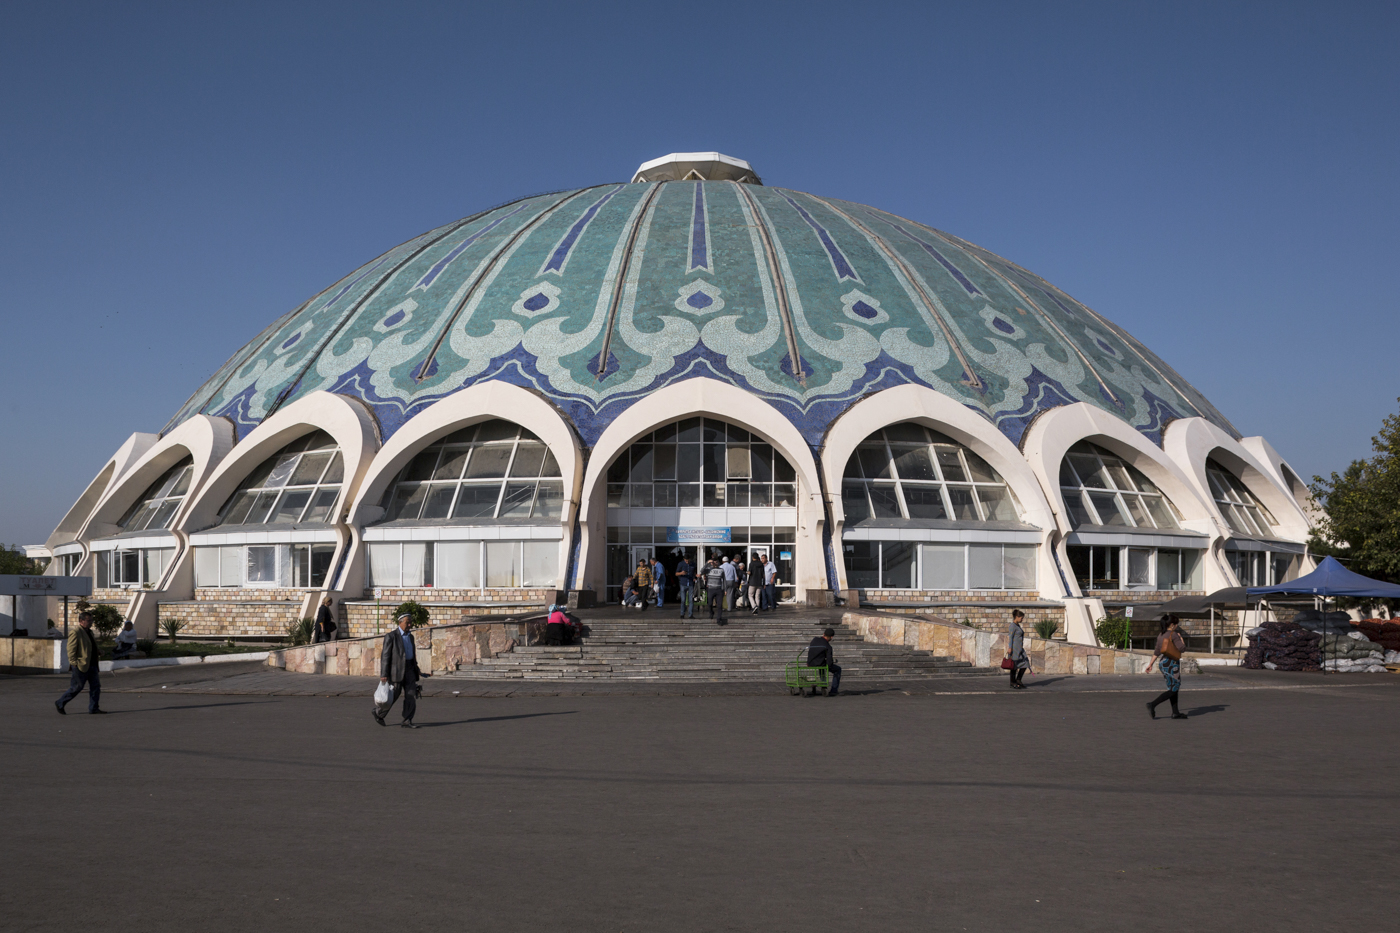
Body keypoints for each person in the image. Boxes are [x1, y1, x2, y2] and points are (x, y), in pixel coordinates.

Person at [375, 612, 427, 728]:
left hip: (410, 669)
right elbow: (385, 656)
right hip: (396, 671)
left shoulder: (411, 637)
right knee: (392, 696)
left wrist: (417, 668)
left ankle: (407, 720)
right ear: (400, 623)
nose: (409, 625)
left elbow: (412, 655)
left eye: (410, 623)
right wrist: (384, 674)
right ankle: (378, 712)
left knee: (411, 695)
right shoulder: (391, 636)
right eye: (407, 623)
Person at [56, 611, 104, 715]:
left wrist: (98, 651)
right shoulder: (76, 632)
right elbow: (71, 649)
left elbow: (89, 646)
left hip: (92, 664)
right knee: (77, 687)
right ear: (81, 621)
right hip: (81, 665)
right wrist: (74, 663)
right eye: (88, 620)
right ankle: (60, 702)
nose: (91, 622)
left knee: (95, 687)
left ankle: (94, 708)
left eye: (91, 620)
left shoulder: (89, 632)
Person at [1146, 615, 1188, 720]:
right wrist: (1181, 638)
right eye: (1176, 624)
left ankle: (1175, 712)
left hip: (1163, 663)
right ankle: (1152, 704)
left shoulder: (1161, 635)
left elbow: (1156, 652)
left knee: (1172, 688)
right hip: (1172, 663)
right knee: (1174, 688)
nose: (1177, 626)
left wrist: (1150, 664)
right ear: (1172, 625)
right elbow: (1182, 648)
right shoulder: (1174, 635)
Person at [807, 627, 842, 696]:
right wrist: (830, 664)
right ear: (831, 637)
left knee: (822, 665)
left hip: (810, 662)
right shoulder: (828, 646)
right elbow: (829, 661)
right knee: (837, 669)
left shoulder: (814, 639)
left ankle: (823, 684)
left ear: (823, 634)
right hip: (820, 664)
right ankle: (833, 690)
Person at [1006, 608, 1031, 689]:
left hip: (1020, 648)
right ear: (1016, 617)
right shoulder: (1012, 626)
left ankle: (1018, 680)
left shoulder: (1017, 625)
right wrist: (1010, 648)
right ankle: (1012, 682)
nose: (1022, 619)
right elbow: (1010, 637)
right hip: (1014, 648)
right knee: (1014, 666)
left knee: (1025, 663)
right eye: (1021, 618)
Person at [705, 559, 727, 625]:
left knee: (719, 605)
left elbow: (724, 580)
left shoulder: (721, 570)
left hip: (719, 589)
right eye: (713, 562)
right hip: (711, 589)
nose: (715, 563)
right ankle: (711, 613)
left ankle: (719, 619)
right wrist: (707, 563)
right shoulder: (709, 569)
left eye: (716, 562)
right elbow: (702, 570)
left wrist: (725, 589)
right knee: (710, 603)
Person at [675, 554, 694, 619]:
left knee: (691, 600)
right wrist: (681, 573)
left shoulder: (693, 564)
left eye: (688, 560)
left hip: (690, 583)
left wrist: (695, 577)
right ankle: (682, 613)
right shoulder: (681, 564)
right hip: (683, 583)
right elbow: (676, 573)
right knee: (683, 600)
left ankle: (690, 614)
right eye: (686, 561)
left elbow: (694, 572)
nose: (687, 562)